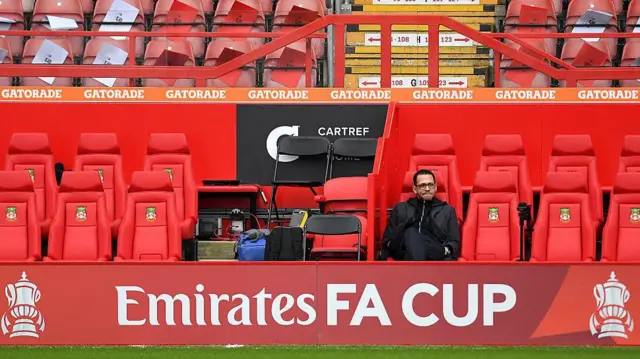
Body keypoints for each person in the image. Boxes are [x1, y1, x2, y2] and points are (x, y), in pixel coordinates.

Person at [381, 169, 460, 261]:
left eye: (430, 185)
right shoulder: (400, 209)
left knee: (417, 240)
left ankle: (417, 271)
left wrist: (444, 251)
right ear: (415, 189)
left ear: (435, 187)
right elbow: (387, 239)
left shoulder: (447, 210)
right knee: (411, 232)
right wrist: (394, 244)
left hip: (434, 251)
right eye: (423, 185)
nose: (427, 189)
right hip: (403, 249)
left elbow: (454, 241)